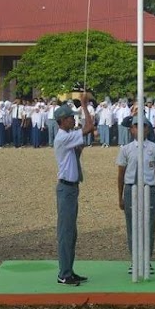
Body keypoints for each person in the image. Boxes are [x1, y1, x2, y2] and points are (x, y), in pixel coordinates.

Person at [53, 92, 94, 286]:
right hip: (66, 189)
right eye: (70, 117)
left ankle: (68, 270)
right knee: (66, 232)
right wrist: (84, 104)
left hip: (71, 188)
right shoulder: (62, 137)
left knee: (71, 232)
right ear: (62, 121)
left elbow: (76, 154)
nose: (73, 119)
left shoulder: (66, 137)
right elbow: (89, 127)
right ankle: (64, 274)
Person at [116, 116, 155, 274]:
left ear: (148, 129)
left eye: (143, 126)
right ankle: (134, 260)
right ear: (131, 130)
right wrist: (121, 196)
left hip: (148, 189)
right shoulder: (126, 149)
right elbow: (121, 175)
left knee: (149, 225)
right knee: (132, 225)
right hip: (131, 189)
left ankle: (147, 260)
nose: (139, 129)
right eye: (136, 126)